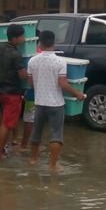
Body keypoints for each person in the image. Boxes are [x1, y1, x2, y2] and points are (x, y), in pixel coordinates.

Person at [27, 30, 86, 171]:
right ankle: (52, 166)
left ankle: (33, 160)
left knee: (36, 132)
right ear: (54, 43)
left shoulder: (32, 60)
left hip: (39, 102)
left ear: (39, 43)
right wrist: (77, 93)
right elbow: (63, 84)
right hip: (56, 104)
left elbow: (30, 83)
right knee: (56, 135)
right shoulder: (60, 61)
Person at [0, 23, 27, 159]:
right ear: (15, 38)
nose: (24, 39)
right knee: (8, 123)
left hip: (0, 91)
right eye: (22, 36)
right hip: (13, 93)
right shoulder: (16, 54)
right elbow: (22, 75)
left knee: (6, 119)